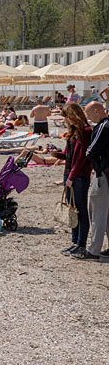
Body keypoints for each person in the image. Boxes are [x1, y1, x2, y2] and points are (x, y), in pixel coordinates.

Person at [52, 103, 92, 257]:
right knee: (72, 210)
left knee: (80, 211)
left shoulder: (85, 131)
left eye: (67, 117)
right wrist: (57, 155)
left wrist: (71, 177)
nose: (66, 120)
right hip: (70, 174)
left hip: (78, 176)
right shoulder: (75, 131)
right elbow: (70, 155)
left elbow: (81, 158)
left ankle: (81, 244)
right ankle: (75, 242)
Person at [74, 102, 109, 260]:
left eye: (89, 114)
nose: (87, 118)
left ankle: (93, 250)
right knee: (106, 214)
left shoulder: (103, 125)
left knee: (97, 213)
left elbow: (91, 150)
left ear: (97, 111)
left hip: (103, 175)